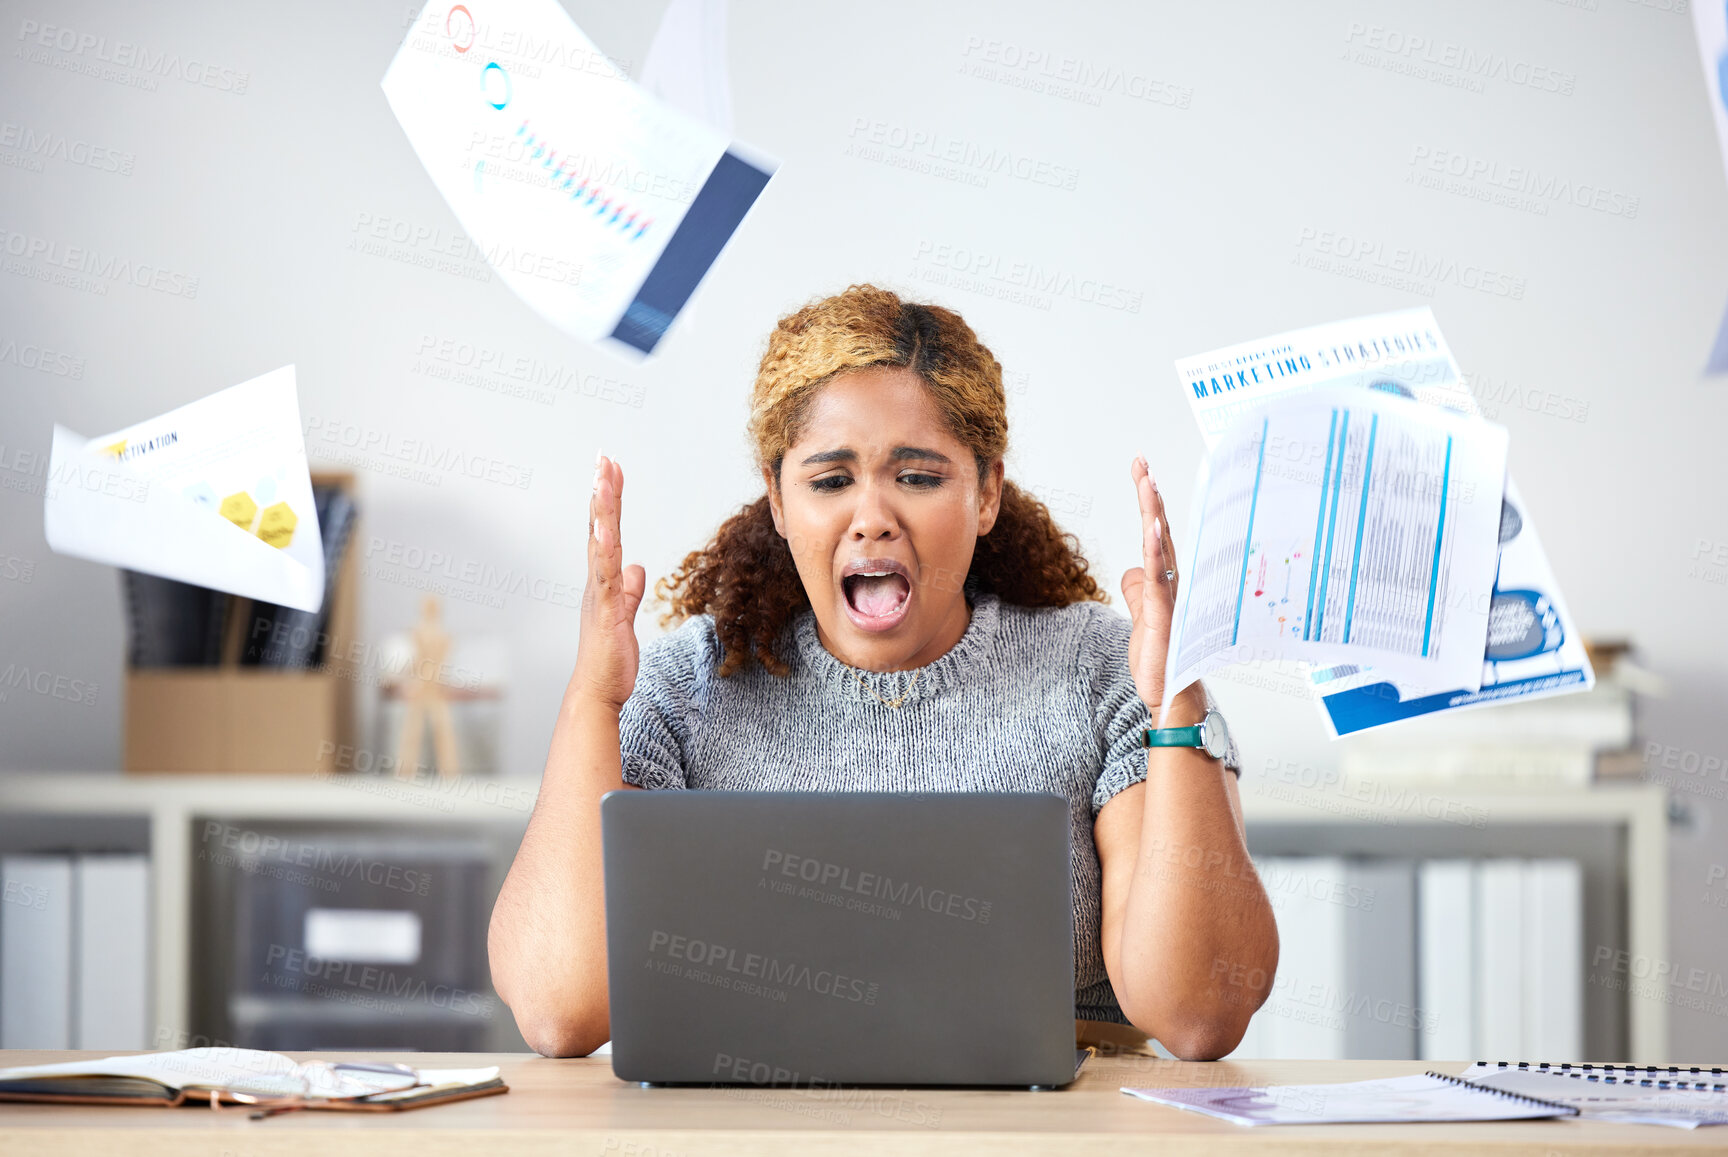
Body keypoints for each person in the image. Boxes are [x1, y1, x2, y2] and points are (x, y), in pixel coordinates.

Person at [489, 284, 1278, 1060]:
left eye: (919, 476)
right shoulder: (683, 687)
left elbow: (1198, 1012)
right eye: (831, 481)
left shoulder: (1106, 670)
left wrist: (1178, 692)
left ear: (987, 492)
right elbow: (562, 1011)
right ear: (777, 498)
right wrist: (592, 698)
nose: (872, 515)